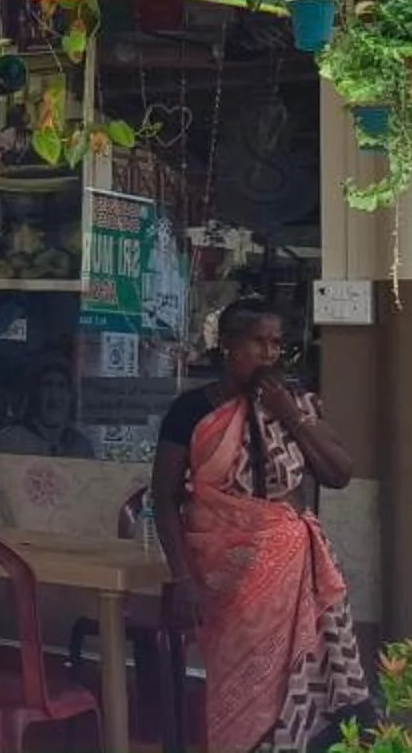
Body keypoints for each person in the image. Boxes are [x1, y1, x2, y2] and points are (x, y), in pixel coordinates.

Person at [153, 299, 369, 753]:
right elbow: (164, 498)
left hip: (294, 572)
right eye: (258, 342)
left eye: (276, 344)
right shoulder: (191, 411)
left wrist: (290, 416)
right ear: (228, 345)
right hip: (225, 576)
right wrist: (182, 578)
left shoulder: (295, 405)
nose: (270, 354)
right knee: (243, 685)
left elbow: (338, 473)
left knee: (298, 686)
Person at [0, 357, 95, 458]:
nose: (55, 396)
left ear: (71, 396)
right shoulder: (12, 440)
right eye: (48, 385)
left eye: (62, 385)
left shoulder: (82, 446)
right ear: (35, 393)